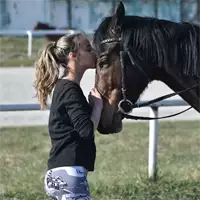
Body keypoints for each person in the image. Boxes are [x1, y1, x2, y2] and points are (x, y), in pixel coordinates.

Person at [34, 33, 103, 200]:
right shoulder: (70, 90)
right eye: (88, 48)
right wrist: (97, 108)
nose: (94, 51)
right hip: (69, 175)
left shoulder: (64, 87)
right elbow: (86, 131)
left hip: (60, 174)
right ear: (74, 55)